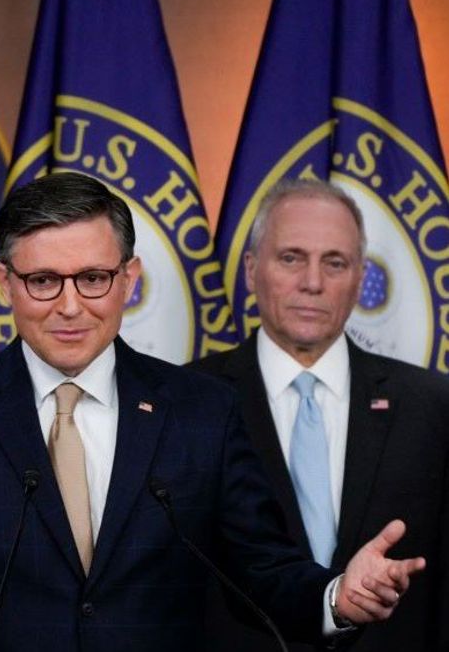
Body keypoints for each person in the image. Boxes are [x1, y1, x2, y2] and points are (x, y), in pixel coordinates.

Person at [0, 171, 424, 650]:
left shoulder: (201, 411)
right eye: (43, 280)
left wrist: (336, 597)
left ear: (128, 280)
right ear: (2, 282)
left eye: (93, 278)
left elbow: (265, 570)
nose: (71, 305)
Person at [189, 179, 449, 651]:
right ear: (251, 270)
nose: (312, 282)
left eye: (335, 262)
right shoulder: (185, 402)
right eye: (291, 258)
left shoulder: (434, 405)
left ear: (359, 277)